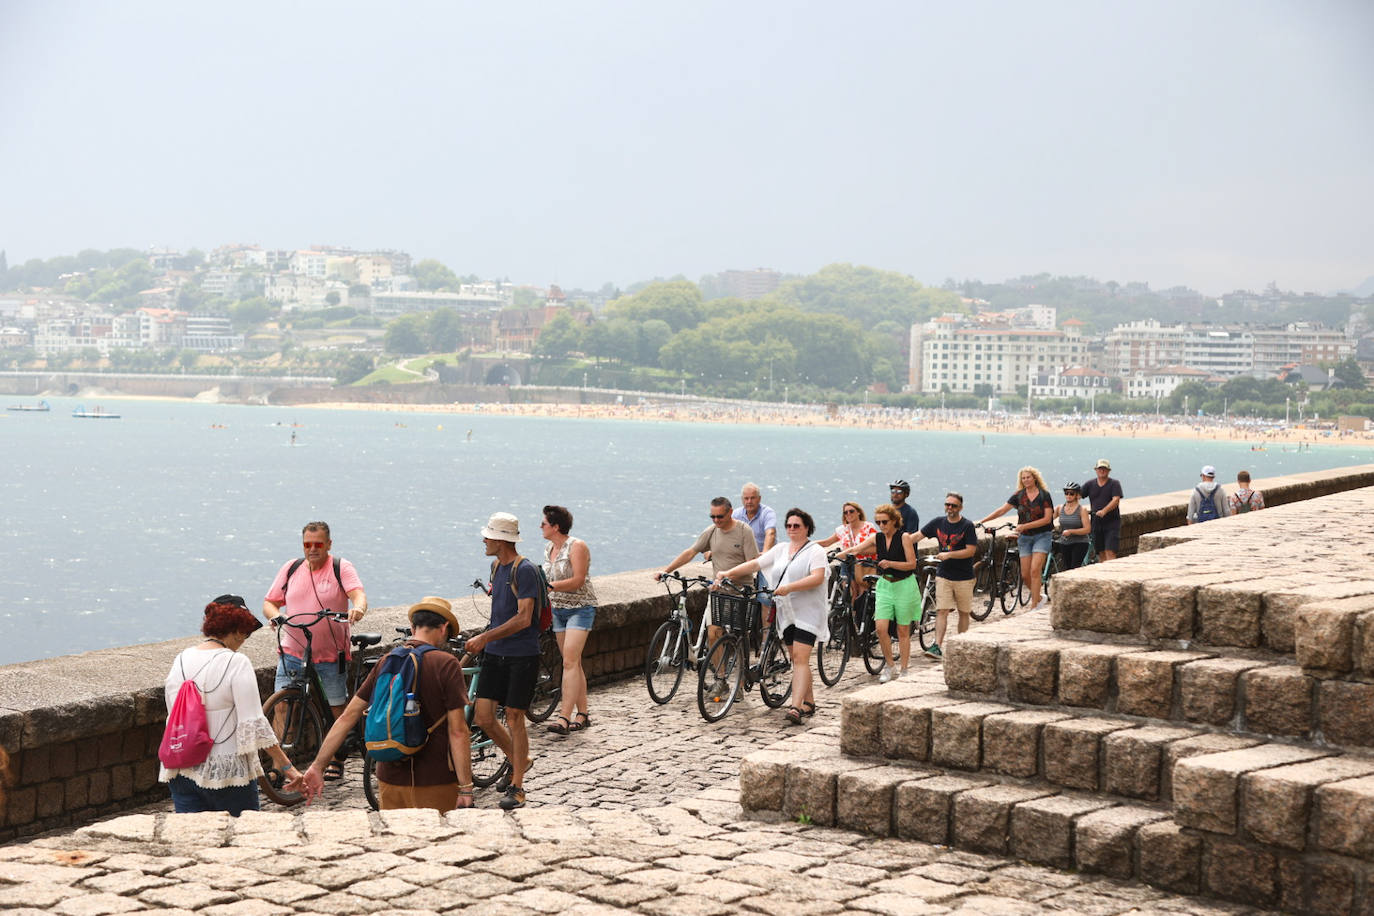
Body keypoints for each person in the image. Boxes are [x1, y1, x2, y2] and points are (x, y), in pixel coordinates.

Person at [288, 597, 475, 812]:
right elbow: (458, 731)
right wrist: (466, 788)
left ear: (413, 627)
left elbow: (347, 717)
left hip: (390, 779)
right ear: (443, 628)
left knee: (396, 842)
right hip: (435, 779)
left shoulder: (387, 661)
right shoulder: (447, 664)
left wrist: (317, 766)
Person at [160, 595, 298, 816]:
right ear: (234, 629)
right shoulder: (236, 662)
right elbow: (253, 723)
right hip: (228, 774)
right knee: (240, 838)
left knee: (193, 842)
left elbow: (173, 713)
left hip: (181, 769)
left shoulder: (181, 659)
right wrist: (288, 768)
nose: (245, 638)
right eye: (245, 631)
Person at [714, 508, 828, 725]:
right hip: (787, 612)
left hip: (808, 612)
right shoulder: (781, 549)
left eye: (797, 526)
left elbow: (817, 577)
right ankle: (809, 702)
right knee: (797, 659)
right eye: (789, 525)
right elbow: (756, 564)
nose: (792, 529)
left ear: (807, 528)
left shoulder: (815, 551)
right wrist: (728, 572)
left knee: (801, 659)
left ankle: (795, 707)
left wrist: (790, 587)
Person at [262, 522, 368, 742]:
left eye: (318, 544)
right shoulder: (292, 568)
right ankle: (281, 767)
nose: (312, 549)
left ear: (328, 544)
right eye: (307, 544)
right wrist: (275, 616)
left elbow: (358, 594)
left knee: (336, 708)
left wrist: (357, 609)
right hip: (292, 651)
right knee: (281, 706)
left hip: (330, 653)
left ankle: (338, 757)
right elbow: (270, 602)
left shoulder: (340, 567)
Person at [464, 512, 541, 810]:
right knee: (483, 717)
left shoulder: (525, 571)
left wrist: (485, 638)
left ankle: (517, 785)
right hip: (496, 654)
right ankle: (522, 760)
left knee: (514, 718)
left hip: (522, 656)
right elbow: (499, 612)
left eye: (488, 535)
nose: (484, 539)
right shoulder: (497, 566)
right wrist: (484, 642)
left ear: (501, 540)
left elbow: (523, 619)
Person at [656, 496, 759, 653]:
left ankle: (743, 675)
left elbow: (752, 564)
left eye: (720, 516)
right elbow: (691, 552)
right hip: (719, 591)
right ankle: (720, 676)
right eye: (713, 516)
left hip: (741, 591)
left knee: (741, 636)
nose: (716, 520)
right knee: (713, 634)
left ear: (730, 512)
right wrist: (666, 571)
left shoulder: (744, 531)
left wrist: (728, 576)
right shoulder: (711, 532)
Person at [838, 503, 917, 681]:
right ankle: (890, 666)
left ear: (894, 521)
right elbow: (856, 549)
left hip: (904, 585)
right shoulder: (877, 538)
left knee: (903, 629)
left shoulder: (904, 537)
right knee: (881, 628)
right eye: (878, 522)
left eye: (885, 522)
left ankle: (904, 669)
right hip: (885, 585)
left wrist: (891, 563)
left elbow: (912, 564)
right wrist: (836, 556)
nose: (881, 525)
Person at [540, 504, 597, 737]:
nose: (540, 527)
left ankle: (564, 717)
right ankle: (582, 714)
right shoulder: (548, 548)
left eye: (543, 523)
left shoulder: (577, 546)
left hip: (580, 609)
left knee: (570, 663)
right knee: (572, 662)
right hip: (559, 609)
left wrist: (549, 586)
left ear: (555, 526)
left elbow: (578, 580)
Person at [979, 466, 1055, 612]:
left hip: (1042, 536)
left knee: (1035, 570)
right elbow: (1002, 510)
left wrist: (1025, 525)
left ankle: (1034, 606)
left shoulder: (1044, 495)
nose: (1026, 480)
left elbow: (1047, 519)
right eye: (1023, 478)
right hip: (1025, 538)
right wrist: (983, 521)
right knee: (1025, 574)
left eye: (1028, 477)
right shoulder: (1019, 496)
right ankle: (1038, 597)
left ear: (1035, 478)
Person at [918, 492, 979, 660]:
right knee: (942, 610)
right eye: (947, 504)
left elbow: (971, 550)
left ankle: (961, 644)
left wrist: (950, 554)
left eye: (953, 505)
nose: (949, 508)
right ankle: (937, 646)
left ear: (960, 508)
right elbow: (917, 536)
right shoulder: (938, 523)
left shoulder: (967, 526)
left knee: (964, 612)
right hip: (944, 575)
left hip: (964, 576)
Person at [817, 502, 878, 599]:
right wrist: (807, 544)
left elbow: (876, 548)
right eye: (845, 512)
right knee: (850, 593)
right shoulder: (842, 530)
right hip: (847, 564)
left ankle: (860, 613)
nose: (848, 514)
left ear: (858, 512)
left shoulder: (868, 527)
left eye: (851, 511)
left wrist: (856, 551)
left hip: (864, 564)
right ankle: (851, 613)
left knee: (862, 595)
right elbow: (826, 542)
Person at [1080, 459, 1123, 561]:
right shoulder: (1090, 484)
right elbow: (1077, 496)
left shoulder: (1114, 484)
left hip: (1112, 523)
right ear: (1096, 470)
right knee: (1101, 552)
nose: (1102, 471)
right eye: (1100, 469)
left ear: (1108, 471)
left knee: (1110, 551)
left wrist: (1104, 510)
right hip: (1096, 522)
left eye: (1104, 469)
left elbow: (1116, 500)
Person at [1055, 482, 1093, 570]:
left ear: (1077, 495)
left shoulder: (1082, 510)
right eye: (1066, 493)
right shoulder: (1060, 508)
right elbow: (1048, 519)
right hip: (1064, 542)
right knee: (1067, 568)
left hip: (1080, 542)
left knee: (1074, 567)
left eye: (1071, 493)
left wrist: (1071, 531)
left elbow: (1087, 529)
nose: (1068, 495)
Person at [733, 482, 777, 553]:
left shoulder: (767, 513)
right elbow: (725, 533)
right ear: (742, 500)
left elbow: (771, 533)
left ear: (759, 499)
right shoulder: (736, 514)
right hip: (743, 556)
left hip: (764, 556)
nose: (749, 501)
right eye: (746, 498)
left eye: (752, 498)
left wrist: (764, 554)